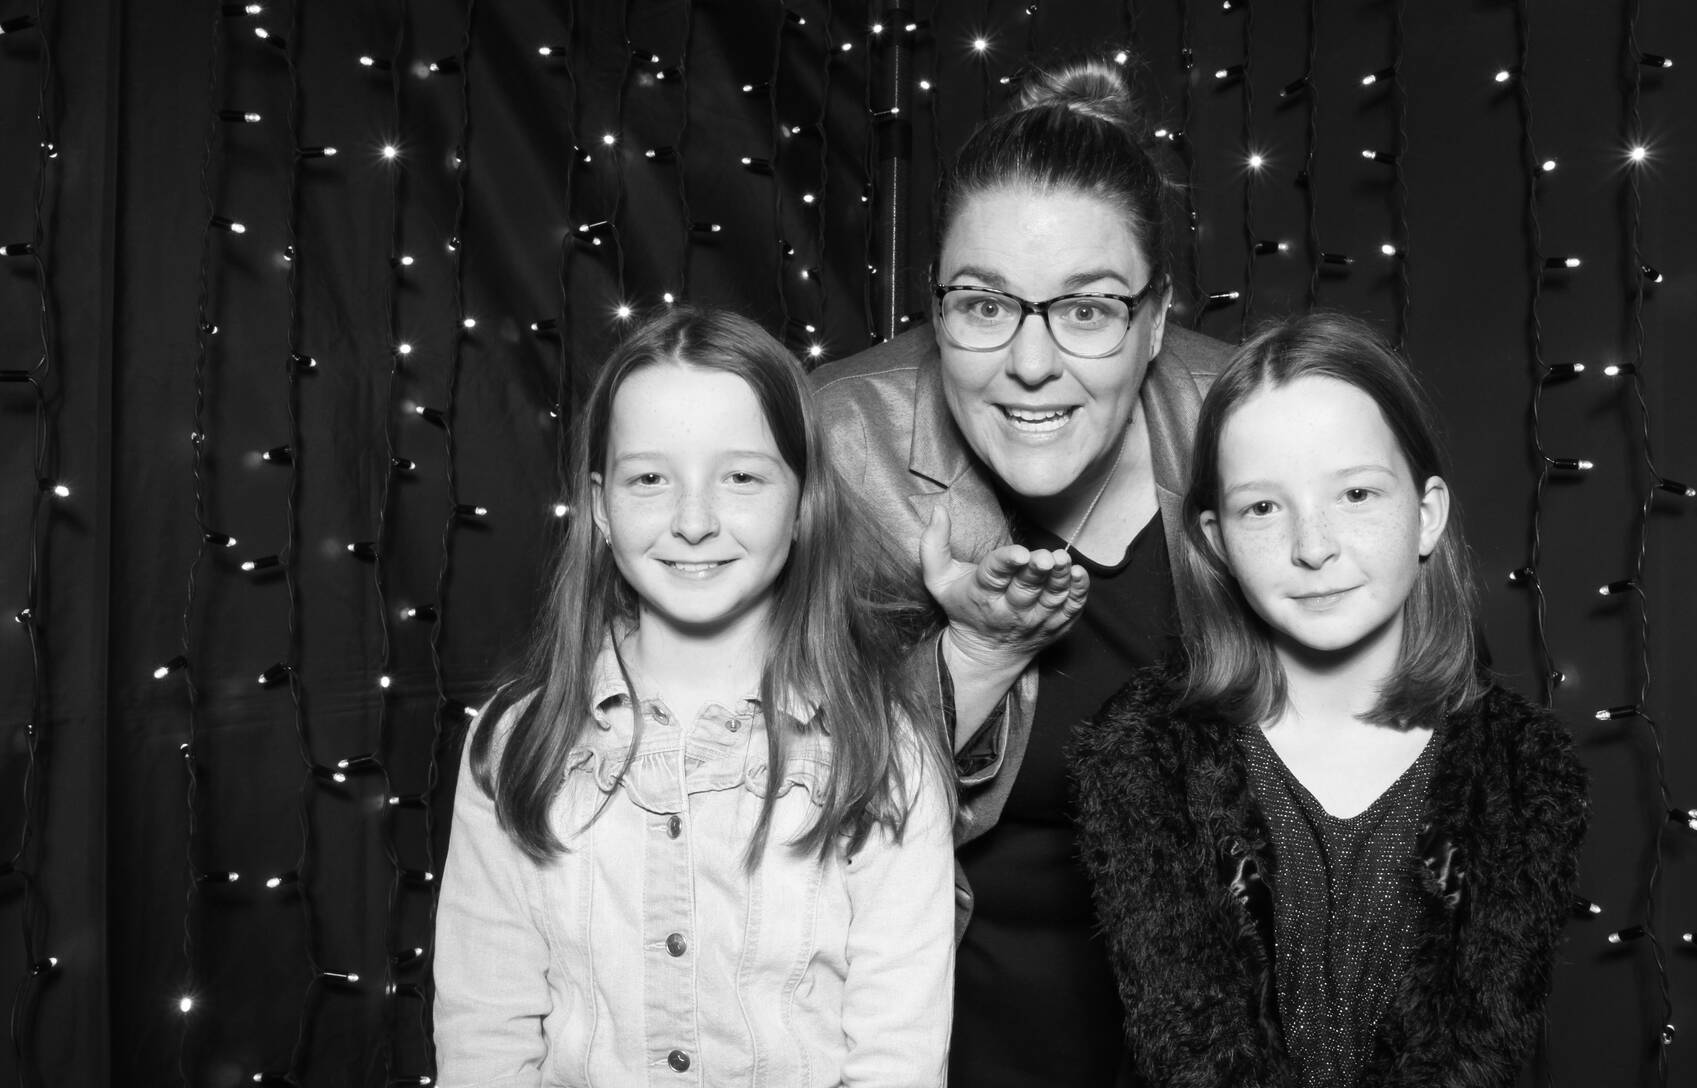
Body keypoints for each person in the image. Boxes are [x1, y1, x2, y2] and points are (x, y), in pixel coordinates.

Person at [813, 57, 1233, 1085]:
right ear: (936, 307)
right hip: (911, 1045)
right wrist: (973, 657)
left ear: (1156, 318)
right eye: (985, 304)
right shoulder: (832, 446)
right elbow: (759, 806)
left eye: (1087, 309)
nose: (1031, 364)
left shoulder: (1256, 426)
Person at [434, 307, 955, 1086]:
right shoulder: (518, 743)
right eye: (650, 479)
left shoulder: (883, 753)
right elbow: (485, 1035)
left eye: (741, 477)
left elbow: (897, 1061)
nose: (694, 522)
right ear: (601, 506)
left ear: (803, 501)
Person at [1071, 311, 1589, 1088]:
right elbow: (1196, 1051)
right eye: (1262, 508)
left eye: (1355, 493)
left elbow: (1476, 1054)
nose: (1313, 547)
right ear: (1215, 539)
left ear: (1427, 514)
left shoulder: (1520, 771)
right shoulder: (1146, 757)